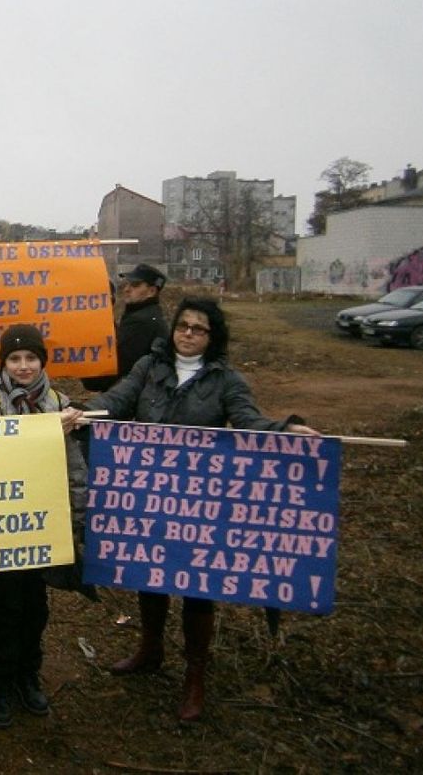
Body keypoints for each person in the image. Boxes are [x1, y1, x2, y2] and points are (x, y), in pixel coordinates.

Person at [88, 297, 318, 722]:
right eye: (183, 326)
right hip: (150, 494)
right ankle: (150, 649)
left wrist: (284, 428)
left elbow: (249, 422)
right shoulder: (149, 367)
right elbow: (115, 401)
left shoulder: (226, 379)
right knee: (149, 573)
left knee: (197, 587)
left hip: (200, 505)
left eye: (199, 329)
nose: (188, 334)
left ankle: (195, 676)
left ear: (213, 337)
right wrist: (74, 413)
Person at [0, 325, 88, 728]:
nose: (23, 366)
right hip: (2, 523)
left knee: (35, 607)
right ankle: (0, 682)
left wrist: (77, 514)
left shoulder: (61, 403)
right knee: (3, 607)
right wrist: (47, 431)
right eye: (14, 359)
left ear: (42, 361)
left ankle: (28, 675)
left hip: (44, 524)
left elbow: (74, 465)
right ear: (4, 364)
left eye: (30, 358)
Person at [82, 263, 167, 392]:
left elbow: (120, 364)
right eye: (127, 284)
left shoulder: (140, 322)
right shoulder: (149, 315)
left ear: (152, 291)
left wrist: (92, 379)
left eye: (135, 285)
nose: (127, 289)